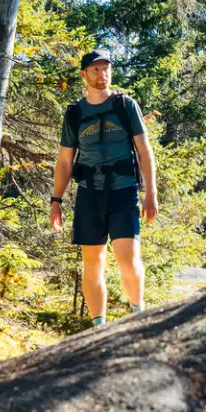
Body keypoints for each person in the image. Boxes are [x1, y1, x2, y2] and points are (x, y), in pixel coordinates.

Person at [50, 50, 158, 326]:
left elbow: (145, 152)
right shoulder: (74, 113)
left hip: (124, 192)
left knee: (128, 258)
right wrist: (56, 201)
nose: (102, 74)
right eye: (96, 69)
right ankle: (99, 328)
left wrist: (151, 194)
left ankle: (138, 315)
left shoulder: (125, 105)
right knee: (93, 262)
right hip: (89, 195)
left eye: (106, 68)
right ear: (84, 74)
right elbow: (65, 160)